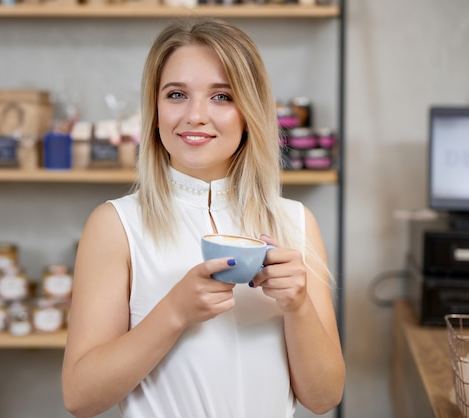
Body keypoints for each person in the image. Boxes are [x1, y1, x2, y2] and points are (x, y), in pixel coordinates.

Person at [62, 17, 345, 418]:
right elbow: (80, 397)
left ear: (250, 111)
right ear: (155, 110)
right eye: (176, 94)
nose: (195, 115)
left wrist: (298, 306)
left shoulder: (295, 223)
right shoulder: (115, 225)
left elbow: (324, 397)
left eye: (222, 97)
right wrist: (174, 312)